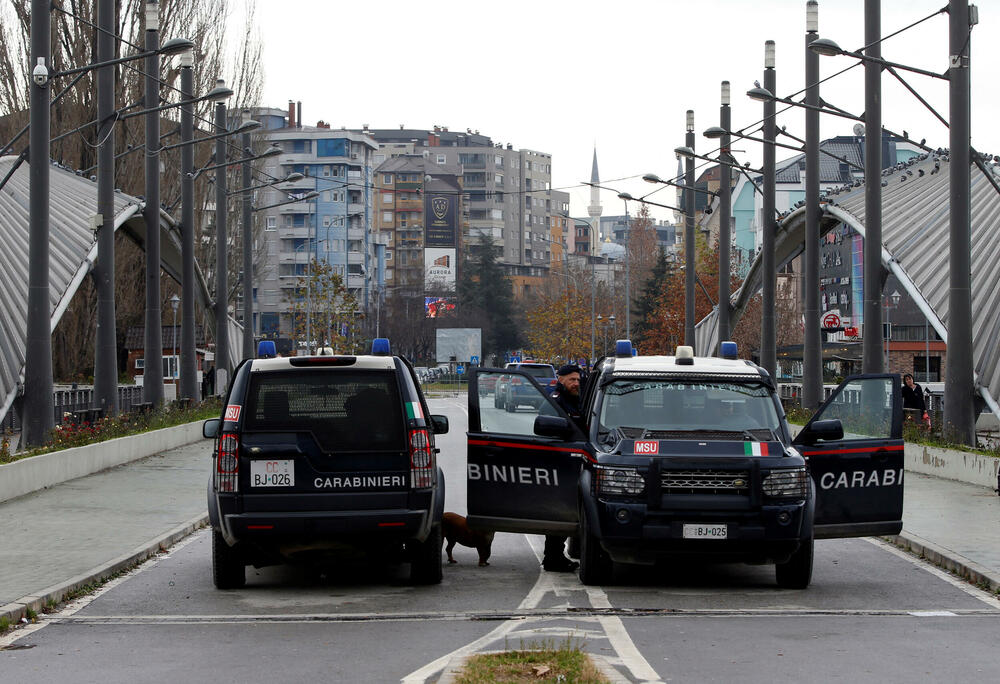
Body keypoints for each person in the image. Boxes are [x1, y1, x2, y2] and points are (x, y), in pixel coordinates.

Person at [542, 364, 583, 572]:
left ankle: (562, 553)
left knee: (571, 510)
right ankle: (553, 557)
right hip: (559, 463)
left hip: (578, 462)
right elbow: (547, 431)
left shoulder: (581, 400)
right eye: (572, 380)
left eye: (578, 379)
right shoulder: (555, 402)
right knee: (559, 511)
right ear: (561, 380)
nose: (576, 383)